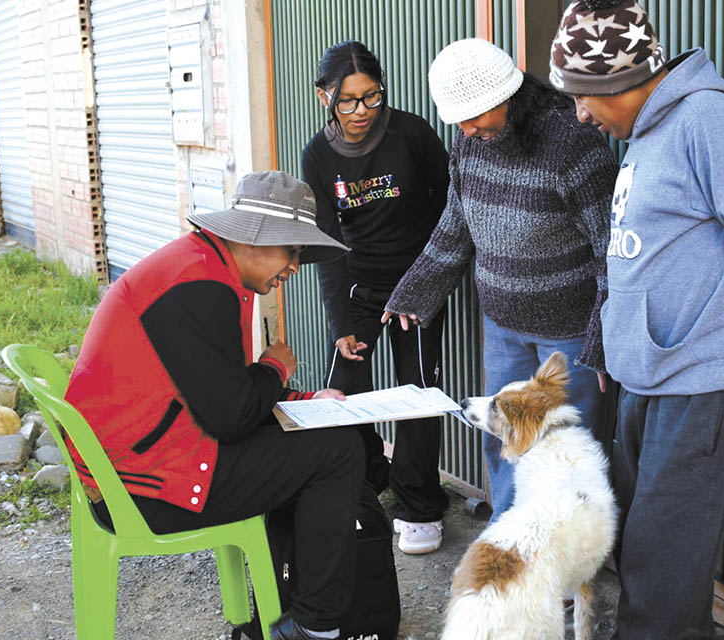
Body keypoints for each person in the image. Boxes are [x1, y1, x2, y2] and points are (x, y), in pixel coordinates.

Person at [548, 1, 724, 638]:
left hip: (700, 378)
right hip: (649, 372)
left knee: (665, 561)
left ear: (617, 82)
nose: (579, 113)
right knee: (646, 548)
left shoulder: (707, 120)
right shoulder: (643, 132)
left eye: (583, 96)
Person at [63, 171, 361, 640]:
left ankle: (284, 617)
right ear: (257, 239)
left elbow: (223, 390)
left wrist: (305, 400)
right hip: (140, 489)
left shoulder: (203, 267)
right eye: (293, 251)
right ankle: (313, 627)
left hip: (144, 457)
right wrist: (276, 369)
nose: (295, 268)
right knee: (339, 452)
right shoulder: (199, 284)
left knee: (318, 443)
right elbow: (231, 416)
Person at [382, 37, 618, 521]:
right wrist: (415, 291)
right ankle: (507, 540)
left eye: (474, 117)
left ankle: (565, 567)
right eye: (459, 121)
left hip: (570, 338)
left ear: (507, 97)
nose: (467, 130)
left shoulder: (573, 143)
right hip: (504, 329)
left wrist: (600, 338)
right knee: (504, 443)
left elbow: (611, 250)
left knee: (570, 454)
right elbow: (455, 225)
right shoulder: (469, 145)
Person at [300, 41, 453, 555]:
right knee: (343, 392)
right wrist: (340, 321)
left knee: (417, 394)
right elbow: (324, 238)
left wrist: (428, 281)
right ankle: (364, 484)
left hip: (418, 284)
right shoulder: (318, 155)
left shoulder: (412, 133)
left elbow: (449, 207)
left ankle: (419, 506)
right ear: (324, 97)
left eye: (372, 97)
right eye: (348, 101)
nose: (362, 111)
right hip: (359, 288)